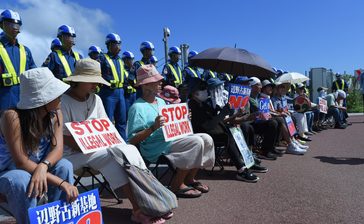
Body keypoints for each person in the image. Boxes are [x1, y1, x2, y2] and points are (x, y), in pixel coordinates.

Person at [61, 58, 170, 224]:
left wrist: (117, 145)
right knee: (115, 155)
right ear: (79, 80)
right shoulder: (63, 101)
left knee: (127, 151)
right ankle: (146, 205)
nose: (95, 85)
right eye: (91, 81)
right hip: (72, 155)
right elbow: (62, 137)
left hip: (98, 151)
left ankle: (148, 204)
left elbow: (108, 129)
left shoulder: (95, 99)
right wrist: (90, 143)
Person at [0, 67, 78, 224]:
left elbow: (58, 149)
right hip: (8, 172)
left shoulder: (56, 113)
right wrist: (61, 183)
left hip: (37, 166)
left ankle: (60, 220)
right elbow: (21, 162)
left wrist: (43, 166)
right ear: (43, 99)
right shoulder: (12, 117)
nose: (60, 96)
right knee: (21, 179)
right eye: (55, 93)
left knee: (64, 166)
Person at [128, 64, 215, 198]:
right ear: (145, 85)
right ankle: (176, 184)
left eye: (159, 80)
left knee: (206, 139)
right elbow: (132, 140)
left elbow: (171, 123)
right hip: (154, 146)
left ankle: (189, 179)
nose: (160, 82)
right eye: (155, 81)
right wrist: (152, 127)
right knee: (196, 142)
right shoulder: (137, 108)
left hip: (170, 139)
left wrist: (184, 119)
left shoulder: (161, 102)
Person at [188, 78, 262, 182]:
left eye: (206, 88)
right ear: (194, 93)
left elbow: (216, 120)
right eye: (203, 88)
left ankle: (247, 162)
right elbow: (208, 126)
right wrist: (224, 111)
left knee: (234, 131)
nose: (206, 91)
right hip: (202, 134)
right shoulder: (192, 105)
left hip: (212, 131)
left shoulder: (203, 103)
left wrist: (225, 111)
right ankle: (241, 169)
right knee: (227, 136)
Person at [0, 9, 36, 111]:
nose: (15, 27)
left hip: (24, 102)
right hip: (3, 102)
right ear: (2, 25)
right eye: (10, 24)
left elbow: (34, 74)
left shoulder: (26, 51)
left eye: (17, 24)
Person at [98, 33, 128, 140]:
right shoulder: (102, 58)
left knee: (122, 121)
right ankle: (108, 145)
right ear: (109, 44)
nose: (119, 47)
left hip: (120, 93)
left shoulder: (120, 60)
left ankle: (123, 144)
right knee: (107, 121)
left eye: (120, 44)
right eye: (116, 44)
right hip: (108, 93)